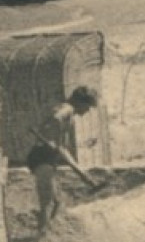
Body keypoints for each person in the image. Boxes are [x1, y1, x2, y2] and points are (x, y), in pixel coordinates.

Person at [27, 86, 100, 233]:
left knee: (55, 203)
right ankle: (42, 238)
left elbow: (62, 149)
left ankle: (47, 234)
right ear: (80, 102)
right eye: (88, 106)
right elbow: (55, 117)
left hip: (48, 157)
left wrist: (81, 173)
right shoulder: (67, 109)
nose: (87, 111)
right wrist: (49, 135)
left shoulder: (70, 116)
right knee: (47, 202)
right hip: (42, 157)